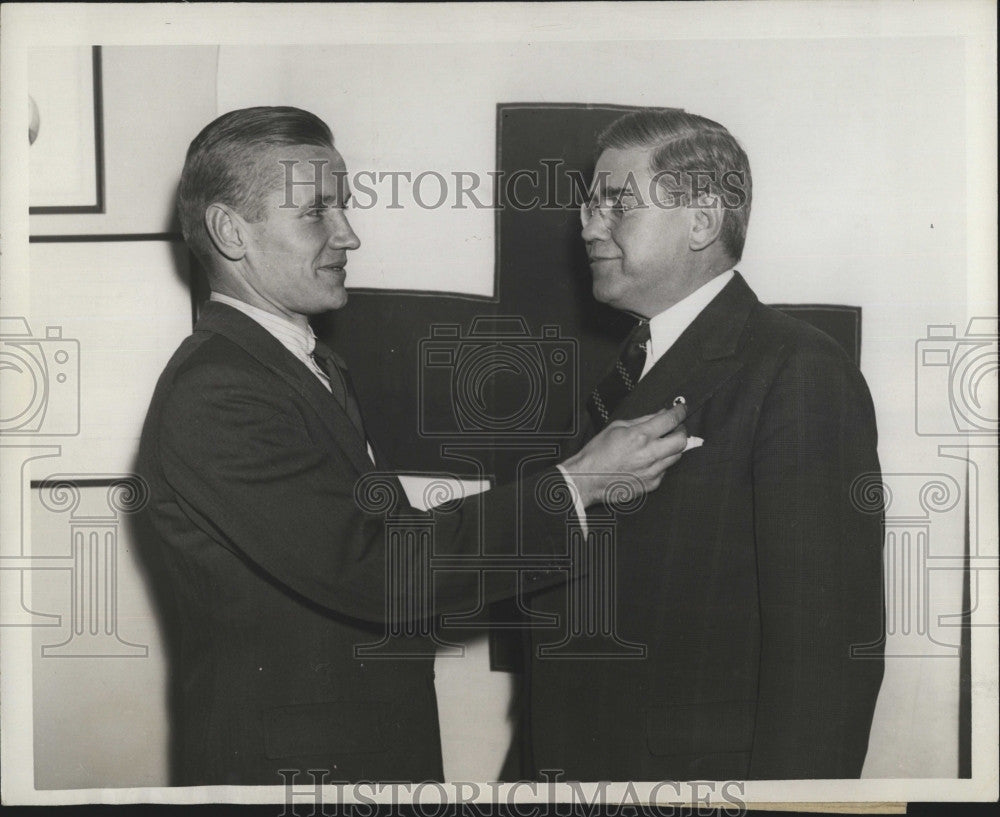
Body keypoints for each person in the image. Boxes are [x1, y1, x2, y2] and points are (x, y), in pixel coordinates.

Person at [135, 106, 689, 786]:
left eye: (343, 207)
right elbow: (375, 568)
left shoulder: (296, 366)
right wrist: (574, 485)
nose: (349, 235)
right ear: (230, 231)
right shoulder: (219, 392)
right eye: (317, 212)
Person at [523, 108, 885, 780]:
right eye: (589, 203)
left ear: (702, 220)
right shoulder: (626, 369)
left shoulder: (797, 368)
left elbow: (823, 652)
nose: (587, 222)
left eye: (616, 203)